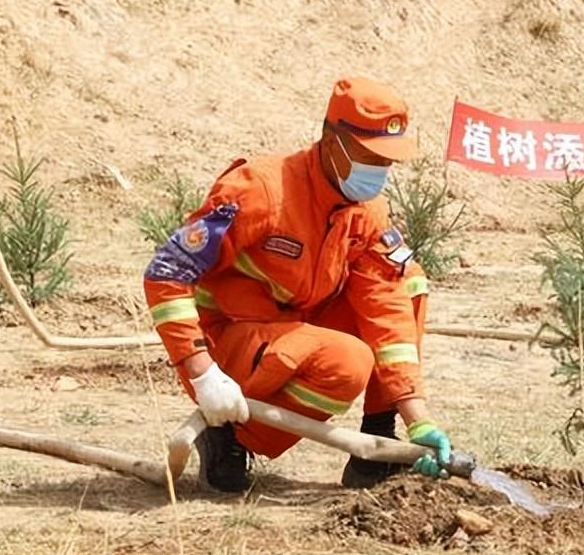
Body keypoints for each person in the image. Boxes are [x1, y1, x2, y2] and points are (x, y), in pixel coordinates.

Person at [143, 77, 451, 492]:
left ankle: (377, 447)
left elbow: (387, 308)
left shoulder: (366, 212)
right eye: (369, 156)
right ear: (332, 140)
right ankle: (229, 437)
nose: (379, 170)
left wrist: (419, 419)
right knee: (348, 361)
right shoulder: (261, 192)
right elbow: (166, 271)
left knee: (408, 284)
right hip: (229, 345)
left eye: (387, 161)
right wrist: (201, 373)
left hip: (296, 329)